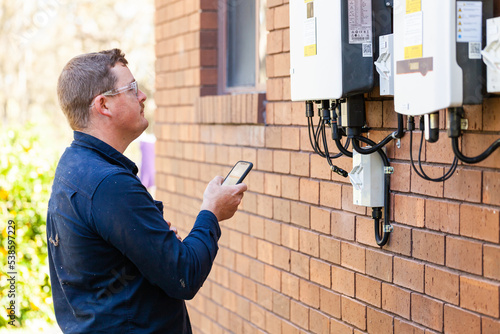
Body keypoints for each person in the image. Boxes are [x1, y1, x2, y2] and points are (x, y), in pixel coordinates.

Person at [46, 49, 247, 333]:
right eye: (131, 89)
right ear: (103, 105)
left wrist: (148, 242)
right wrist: (211, 213)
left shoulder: (74, 165)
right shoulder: (109, 184)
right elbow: (184, 275)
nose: (142, 97)